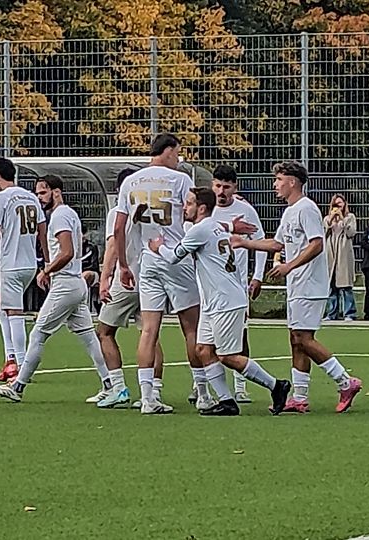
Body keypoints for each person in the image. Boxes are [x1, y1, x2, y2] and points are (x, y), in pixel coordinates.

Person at [233, 161, 363, 414]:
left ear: (292, 181)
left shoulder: (307, 209)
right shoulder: (290, 211)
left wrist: (290, 266)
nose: (275, 185)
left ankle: (345, 381)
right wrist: (244, 243)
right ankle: (299, 397)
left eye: (279, 179)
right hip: (297, 285)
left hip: (310, 284)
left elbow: (317, 244)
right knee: (295, 340)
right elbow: (277, 244)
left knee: (304, 338)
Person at [149, 187, 291, 416]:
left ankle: (277, 386)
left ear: (201, 208)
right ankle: (227, 401)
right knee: (204, 349)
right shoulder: (213, 226)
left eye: (189, 203)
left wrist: (158, 247)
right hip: (213, 302)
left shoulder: (201, 229)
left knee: (227, 356)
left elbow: (174, 256)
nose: (185, 207)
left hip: (226, 301)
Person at [0, 175, 116, 403]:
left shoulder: (60, 215)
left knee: (38, 334)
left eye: (43, 193)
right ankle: (110, 384)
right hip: (75, 284)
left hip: (65, 284)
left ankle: (17, 387)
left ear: (56, 192)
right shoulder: (68, 214)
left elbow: (67, 252)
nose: (39, 198)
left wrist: (46, 270)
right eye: (37, 193)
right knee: (88, 337)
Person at [113, 134, 207, 414]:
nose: (179, 158)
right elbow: (193, 216)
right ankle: (202, 392)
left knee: (149, 329)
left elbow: (119, 227)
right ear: (167, 151)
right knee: (191, 327)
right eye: (177, 152)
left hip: (147, 260)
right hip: (175, 257)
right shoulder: (179, 180)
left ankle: (148, 397)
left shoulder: (131, 181)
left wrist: (123, 264)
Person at [0, 157, 48, 384]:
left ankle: (21, 367)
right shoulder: (31, 197)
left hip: (11, 264)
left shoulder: (1, 197)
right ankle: (10, 358)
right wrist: (47, 264)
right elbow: (42, 232)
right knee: (4, 309)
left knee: (14, 313)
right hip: (29, 264)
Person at [93, 168, 166, 409]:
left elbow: (114, 244)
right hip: (152, 278)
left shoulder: (118, 211)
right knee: (150, 333)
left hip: (127, 279)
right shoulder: (153, 209)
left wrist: (105, 278)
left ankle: (118, 387)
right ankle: (153, 391)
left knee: (104, 331)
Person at [209, 164, 268, 403]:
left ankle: (241, 386)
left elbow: (261, 241)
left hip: (235, 285)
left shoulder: (245, 210)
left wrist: (258, 276)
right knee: (205, 338)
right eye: (217, 186)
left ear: (235, 187)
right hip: (207, 286)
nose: (221, 192)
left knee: (239, 335)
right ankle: (201, 383)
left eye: (226, 187)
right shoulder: (205, 209)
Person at [324, 194, 357, 321]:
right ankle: (332, 313)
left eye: (340, 203)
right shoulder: (327, 218)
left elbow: (351, 233)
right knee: (332, 287)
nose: (338, 206)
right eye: (335, 204)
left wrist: (342, 219)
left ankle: (349, 313)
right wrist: (331, 219)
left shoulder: (350, 217)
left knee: (345, 286)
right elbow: (323, 233)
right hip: (331, 254)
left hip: (343, 255)